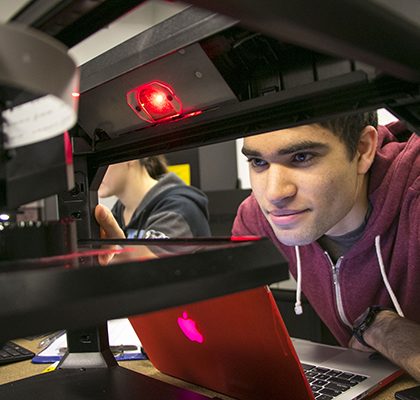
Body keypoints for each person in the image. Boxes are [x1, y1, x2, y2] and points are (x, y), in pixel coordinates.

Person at [232, 111, 420, 381]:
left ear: (362, 149)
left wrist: (385, 330)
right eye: (258, 161)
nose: (274, 194)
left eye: (301, 157)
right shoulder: (257, 215)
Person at [97, 155, 211, 240]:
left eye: (101, 162)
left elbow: (147, 269)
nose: (96, 173)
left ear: (129, 158)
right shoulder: (117, 212)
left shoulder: (178, 207)